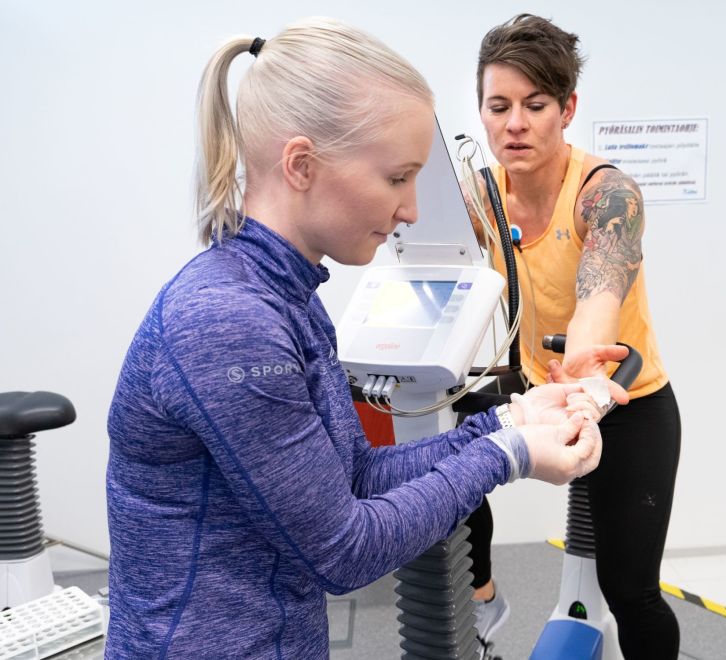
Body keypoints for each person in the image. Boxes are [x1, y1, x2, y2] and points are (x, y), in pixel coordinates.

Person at [104, 17, 624, 658]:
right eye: (397, 178)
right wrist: (509, 453)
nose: (411, 210)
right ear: (301, 165)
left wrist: (505, 422)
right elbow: (344, 550)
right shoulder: (229, 321)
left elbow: (356, 474)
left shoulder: (289, 297)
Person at [461, 14, 682, 659]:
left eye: (535, 106)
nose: (515, 124)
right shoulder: (479, 196)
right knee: (436, 448)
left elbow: (599, 297)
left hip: (625, 398)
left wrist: (583, 373)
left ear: (568, 109)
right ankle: (484, 593)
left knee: (629, 589)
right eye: (498, 107)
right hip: (537, 388)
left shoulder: (606, 195)